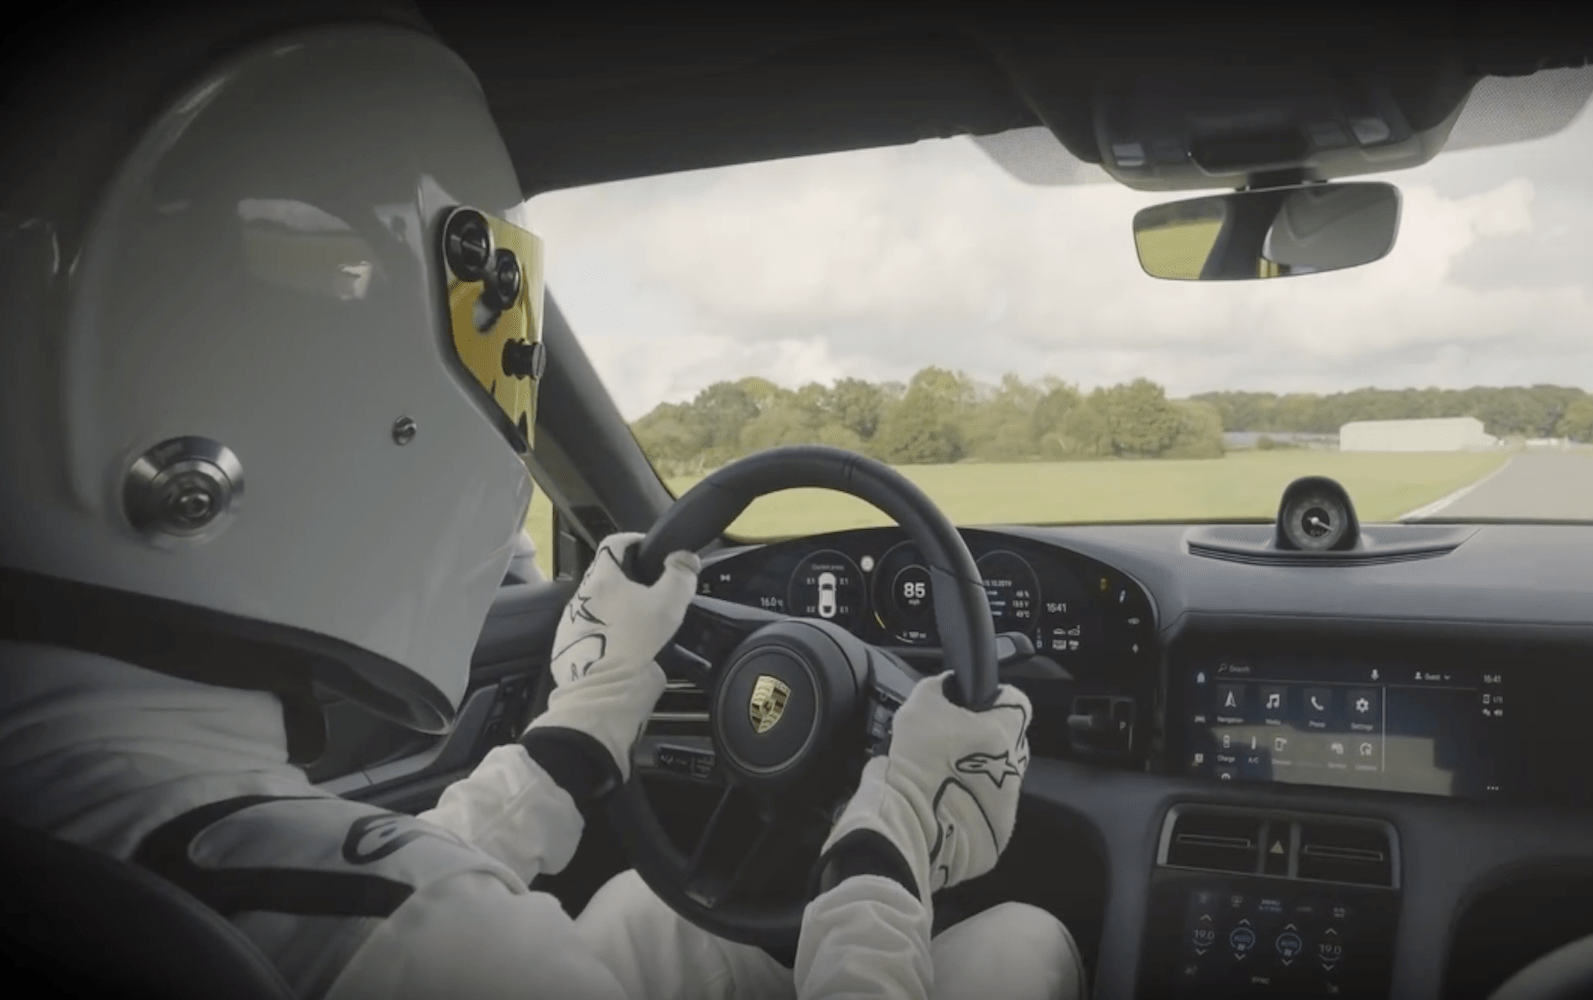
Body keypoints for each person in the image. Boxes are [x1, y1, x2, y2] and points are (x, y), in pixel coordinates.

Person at [0, 12, 1083, 1000]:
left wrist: (579, 728)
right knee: (1018, 943)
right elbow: (412, 916)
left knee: (647, 914)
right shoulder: (455, 950)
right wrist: (895, 826)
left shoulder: (86, 816)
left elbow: (363, 888)